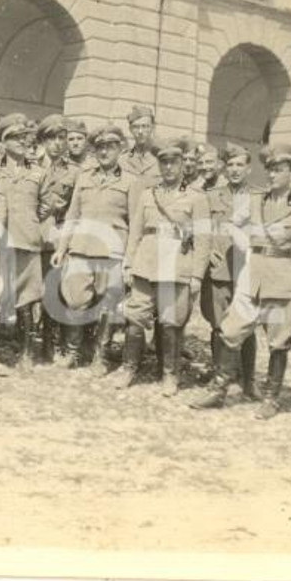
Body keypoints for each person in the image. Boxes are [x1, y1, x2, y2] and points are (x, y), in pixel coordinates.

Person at [218, 143, 291, 420]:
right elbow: (231, 222)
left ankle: (271, 397)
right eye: (270, 170)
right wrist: (246, 246)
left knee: (279, 340)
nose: (273, 175)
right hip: (253, 274)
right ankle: (219, 388)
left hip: (282, 276)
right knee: (231, 330)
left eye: (279, 170)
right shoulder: (255, 200)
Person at [106, 137, 210, 394]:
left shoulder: (196, 198)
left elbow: (204, 240)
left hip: (176, 266)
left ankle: (170, 375)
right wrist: (129, 265)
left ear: (183, 165)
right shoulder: (147, 195)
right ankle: (129, 368)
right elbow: (136, 233)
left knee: (171, 322)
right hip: (146, 264)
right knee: (135, 317)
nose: (168, 168)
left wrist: (196, 276)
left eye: (173, 162)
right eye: (163, 163)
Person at [52, 124, 136, 375]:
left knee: (108, 305)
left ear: (120, 148)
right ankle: (74, 351)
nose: (104, 151)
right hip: (81, 247)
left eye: (110, 146)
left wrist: (129, 260)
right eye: (100, 147)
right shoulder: (85, 177)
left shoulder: (131, 182)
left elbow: (135, 224)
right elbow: (72, 214)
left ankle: (100, 356)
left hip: (112, 251)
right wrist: (62, 248)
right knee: (76, 299)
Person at [0, 114, 52, 373]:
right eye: (15, 138)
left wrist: (31, 224)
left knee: (27, 296)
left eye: (24, 138)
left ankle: (27, 351)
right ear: (3, 141)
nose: (21, 142)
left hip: (27, 238)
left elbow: (47, 204)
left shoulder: (39, 172)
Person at [189, 143, 262, 409]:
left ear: (248, 168)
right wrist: (207, 256)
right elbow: (200, 230)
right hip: (218, 270)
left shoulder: (258, 197)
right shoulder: (211, 196)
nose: (234, 170)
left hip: (246, 271)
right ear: (224, 167)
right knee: (219, 326)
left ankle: (248, 381)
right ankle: (220, 377)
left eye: (239, 165)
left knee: (246, 327)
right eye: (230, 165)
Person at [38, 114, 78, 363]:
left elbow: (76, 206)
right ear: (43, 140)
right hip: (34, 231)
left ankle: (52, 340)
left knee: (58, 289)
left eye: (62, 138)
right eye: (52, 138)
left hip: (59, 234)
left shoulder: (74, 171)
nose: (58, 143)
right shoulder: (31, 164)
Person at [120, 105, 162, 198]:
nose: (140, 131)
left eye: (145, 126)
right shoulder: (122, 160)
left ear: (153, 127)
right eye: (136, 127)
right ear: (130, 129)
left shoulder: (162, 159)